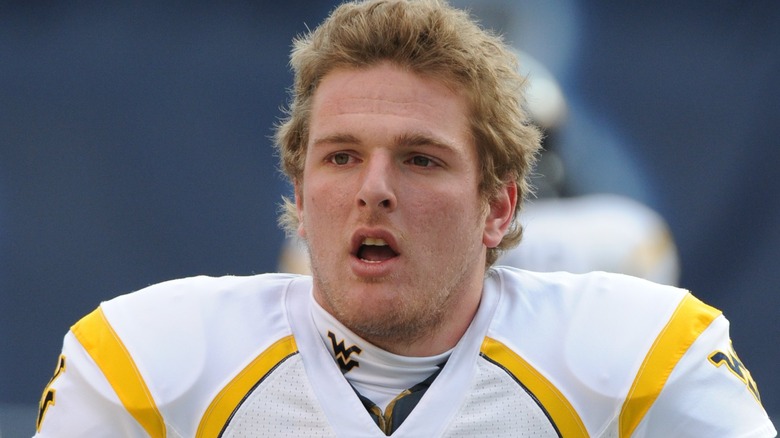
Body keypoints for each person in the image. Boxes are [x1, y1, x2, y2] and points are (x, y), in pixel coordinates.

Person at [35, 0, 776, 436]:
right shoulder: (149, 363)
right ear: (297, 193)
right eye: (340, 157)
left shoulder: (639, 352)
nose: (375, 189)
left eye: (421, 158)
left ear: (501, 205)